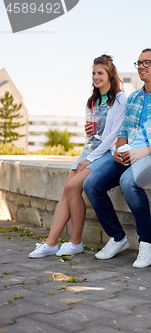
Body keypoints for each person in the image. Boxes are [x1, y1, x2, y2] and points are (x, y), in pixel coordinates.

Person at [83, 48, 151, 268]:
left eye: (148, 62)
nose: (142, 67)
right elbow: (124, 131)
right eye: (139, 63)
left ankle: (147, 241)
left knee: (129, 182)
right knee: (91, 184)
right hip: (130, 151)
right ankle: (118, 238)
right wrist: (119, 150)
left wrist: (142, 151)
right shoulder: (134, 97)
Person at [29, 55, 127, 258]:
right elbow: (92, 135)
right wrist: (89, 132)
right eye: (93, 73)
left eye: (100, 73)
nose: (96, 77)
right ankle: (51, 243)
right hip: (89, 149)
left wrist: (89, 159)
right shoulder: (91, 101)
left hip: (105, 153)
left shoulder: (120, 99)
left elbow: (112, 137)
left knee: (73, 187)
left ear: (110, 74)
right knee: (67, 190)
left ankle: (75, 242)